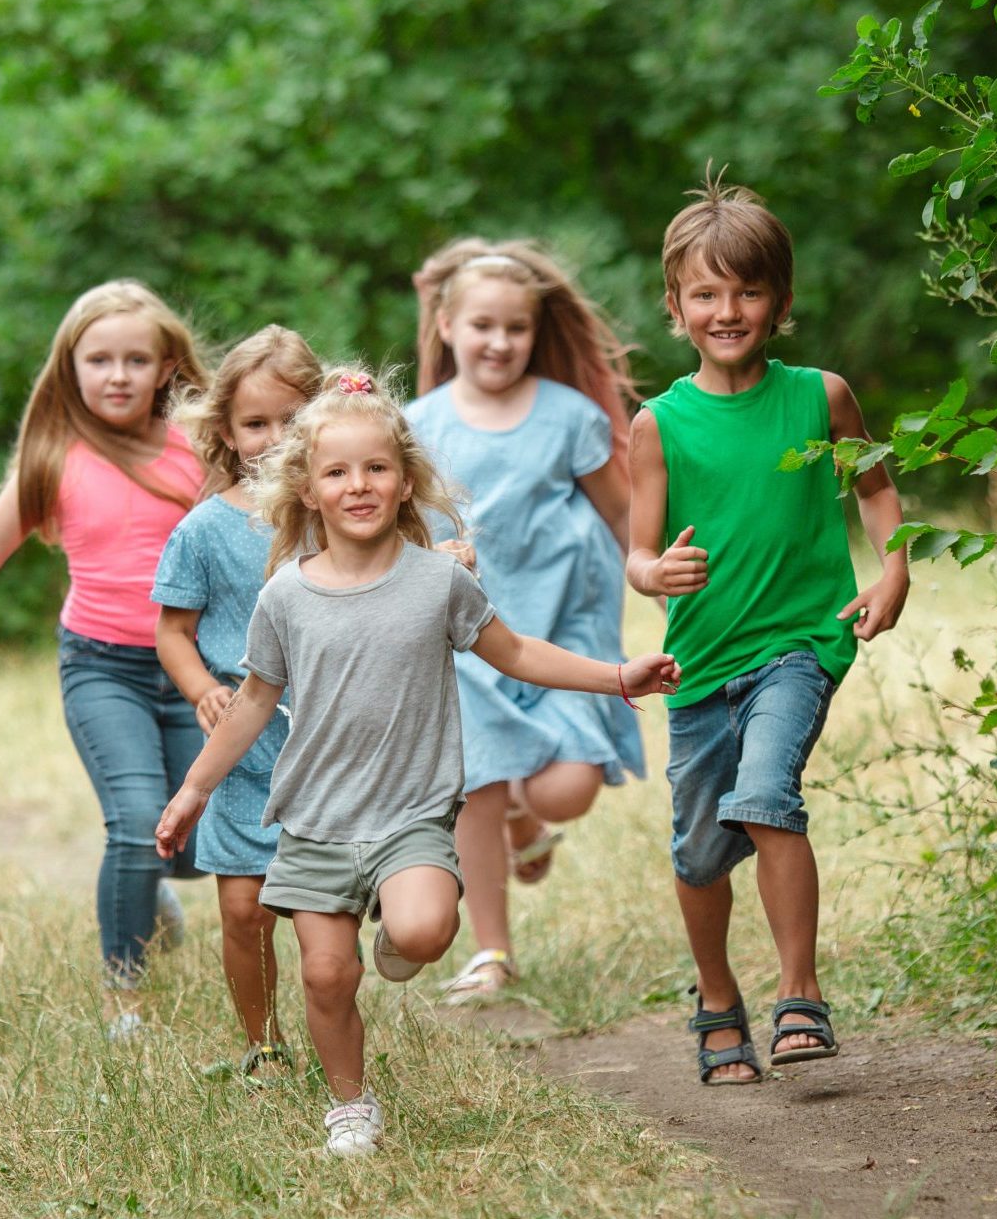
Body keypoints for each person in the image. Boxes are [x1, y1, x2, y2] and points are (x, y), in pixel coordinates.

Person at [156, 369, 680, 1156]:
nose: (357, 485)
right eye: (336, 471)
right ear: (305, 488)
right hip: (314, 820)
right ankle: (349, 1104)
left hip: (409, 812)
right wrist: (195, 788)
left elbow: (516, 653)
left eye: (375, 468)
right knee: (327, 977)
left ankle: (401, 936)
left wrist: (613, 675)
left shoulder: (439, 580)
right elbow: (256, 700)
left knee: (426, 930)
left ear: (405, 481)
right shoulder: (285, 596)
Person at [0, 281, 209, 1039]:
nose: (116, 375)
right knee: (133, 822)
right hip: (102, 667)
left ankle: (156, 888)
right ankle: (125, 995)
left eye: (134, 359)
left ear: (165, 367)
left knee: (195, 840)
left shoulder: (200, 444)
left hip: (193, 667)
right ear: (70, 368)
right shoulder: (55, 456)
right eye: (98, 359)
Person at [625, 176, 908, 1085]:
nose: (727, 309)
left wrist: (893, 565)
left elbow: (874, 491)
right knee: (701, 850)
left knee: (765, 791)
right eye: (705, 293)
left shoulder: (820, 398)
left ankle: (800, 995)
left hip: (799, 644)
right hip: (701, 662)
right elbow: (637, 553)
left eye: (746, 291)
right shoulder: (657, 423)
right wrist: (654, 573)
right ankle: (716, 998)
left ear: (779, 300)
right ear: (675, 305)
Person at [408, 240, 642, 1002]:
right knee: (478, 782)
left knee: (564, 789)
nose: (498, 342)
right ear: (445, 325)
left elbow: (619, 511)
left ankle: (523, 820)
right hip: (468, 639)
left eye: (514, 327)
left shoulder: (567, 416)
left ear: (535, 332)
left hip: (565, 627)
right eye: (481, 325)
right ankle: (492, 951)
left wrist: (670, 590)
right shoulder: (415, 424)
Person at [153, 327, 322, 1075]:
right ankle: (264, 1043)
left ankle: (332, 1029)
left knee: (322, 915)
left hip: (328, 744)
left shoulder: (342, 513)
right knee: (243, 910)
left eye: (292, 419)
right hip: (242, 744)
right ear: (225, 429)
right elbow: (173, 632)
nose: (275, 438)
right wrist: (202, 688)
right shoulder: (202, 531)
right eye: (256, 423)